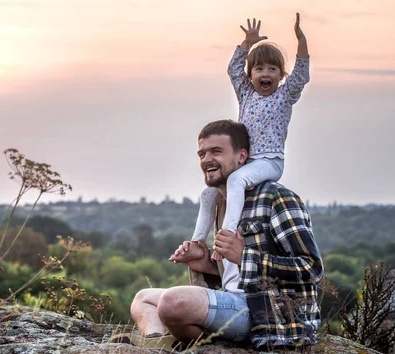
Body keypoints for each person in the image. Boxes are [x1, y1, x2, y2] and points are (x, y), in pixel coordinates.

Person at [129, 119, 324, 351]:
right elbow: (233, 278)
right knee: (143, 299)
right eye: (202, 154)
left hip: (268, 315)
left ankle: (185, 342)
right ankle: (155, 345)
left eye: (216, 151)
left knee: (172, 302)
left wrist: (244, 256)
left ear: (242, 157)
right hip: (233, 305)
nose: (206, 160)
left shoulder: (276, 197)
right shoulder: (220, 203)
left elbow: (311, 269)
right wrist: (207, 265)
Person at [193, 14, 310, 262]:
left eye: (272, 69)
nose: (265, 73)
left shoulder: (285, 95)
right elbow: (233, 70)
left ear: (280, 75)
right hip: (246, 161)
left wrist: (301, 43)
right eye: (259, 69)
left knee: (235, 181)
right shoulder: (246, 94)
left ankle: (225, 238)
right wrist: (247, 43)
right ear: (251, 74)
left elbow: (300, 76)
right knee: (208, 194)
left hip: (269, 161)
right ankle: (197, 243)